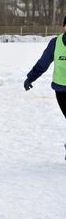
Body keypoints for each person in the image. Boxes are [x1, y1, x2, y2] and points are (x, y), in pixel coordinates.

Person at [23, 15, 66, 160]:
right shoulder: (56, 43)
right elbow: (43, 63)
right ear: (64, 27)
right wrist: (31, 77)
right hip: (61, 90)